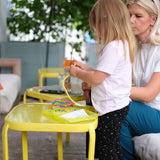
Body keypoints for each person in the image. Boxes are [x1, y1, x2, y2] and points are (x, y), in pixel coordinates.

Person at [83, 0, 160, 159]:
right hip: (140, 108)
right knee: (97, 104)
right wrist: (89, 78)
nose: (131, 20)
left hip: (156, 113)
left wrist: (101, 84)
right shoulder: (129, 45)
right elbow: (112, 77)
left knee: (118, 110)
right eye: (129, 15)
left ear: (153, 20)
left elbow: (148, 94)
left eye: (138, 16)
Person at [69, 0, 137, 159]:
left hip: (110, 109)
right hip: (118, 105)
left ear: (106, 20)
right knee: (112, 146)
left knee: (107, 149)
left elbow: (99, 78)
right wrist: (85, 68)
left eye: (97, 25)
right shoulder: (123, 44)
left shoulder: (113, 47)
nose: (96, 31)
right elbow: (105, 73)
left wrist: (77, 73)